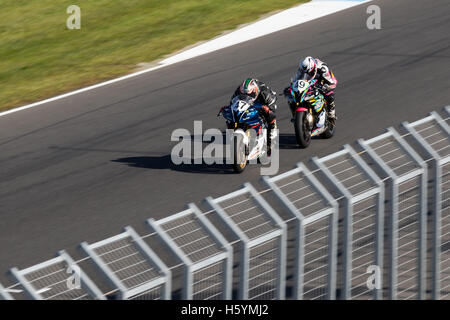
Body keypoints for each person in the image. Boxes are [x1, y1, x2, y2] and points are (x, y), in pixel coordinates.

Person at [230, 78, 278, 143]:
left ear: (255, 91)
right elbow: (232, 103)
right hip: (248, 103)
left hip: (264, 102)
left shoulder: (265, 93)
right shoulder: (239, 90)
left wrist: (266, 109)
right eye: (244, 95)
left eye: (249, 95)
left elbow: (272, 108)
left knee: (270, 115)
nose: (247, 96)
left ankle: (273, 129)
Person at [291, 56, 337, 120]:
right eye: (305, 73)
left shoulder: (323, 69)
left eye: (309, 73)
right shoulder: (302, 69)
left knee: (329, 93)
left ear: (314, 69)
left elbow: (332, 82)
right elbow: (296, 79)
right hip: (310, 82)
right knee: (293, 95)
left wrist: (325, 86)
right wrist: (293, 85)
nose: (307, 74)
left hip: (323, 80)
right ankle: (295, 114)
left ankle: (331, 111)